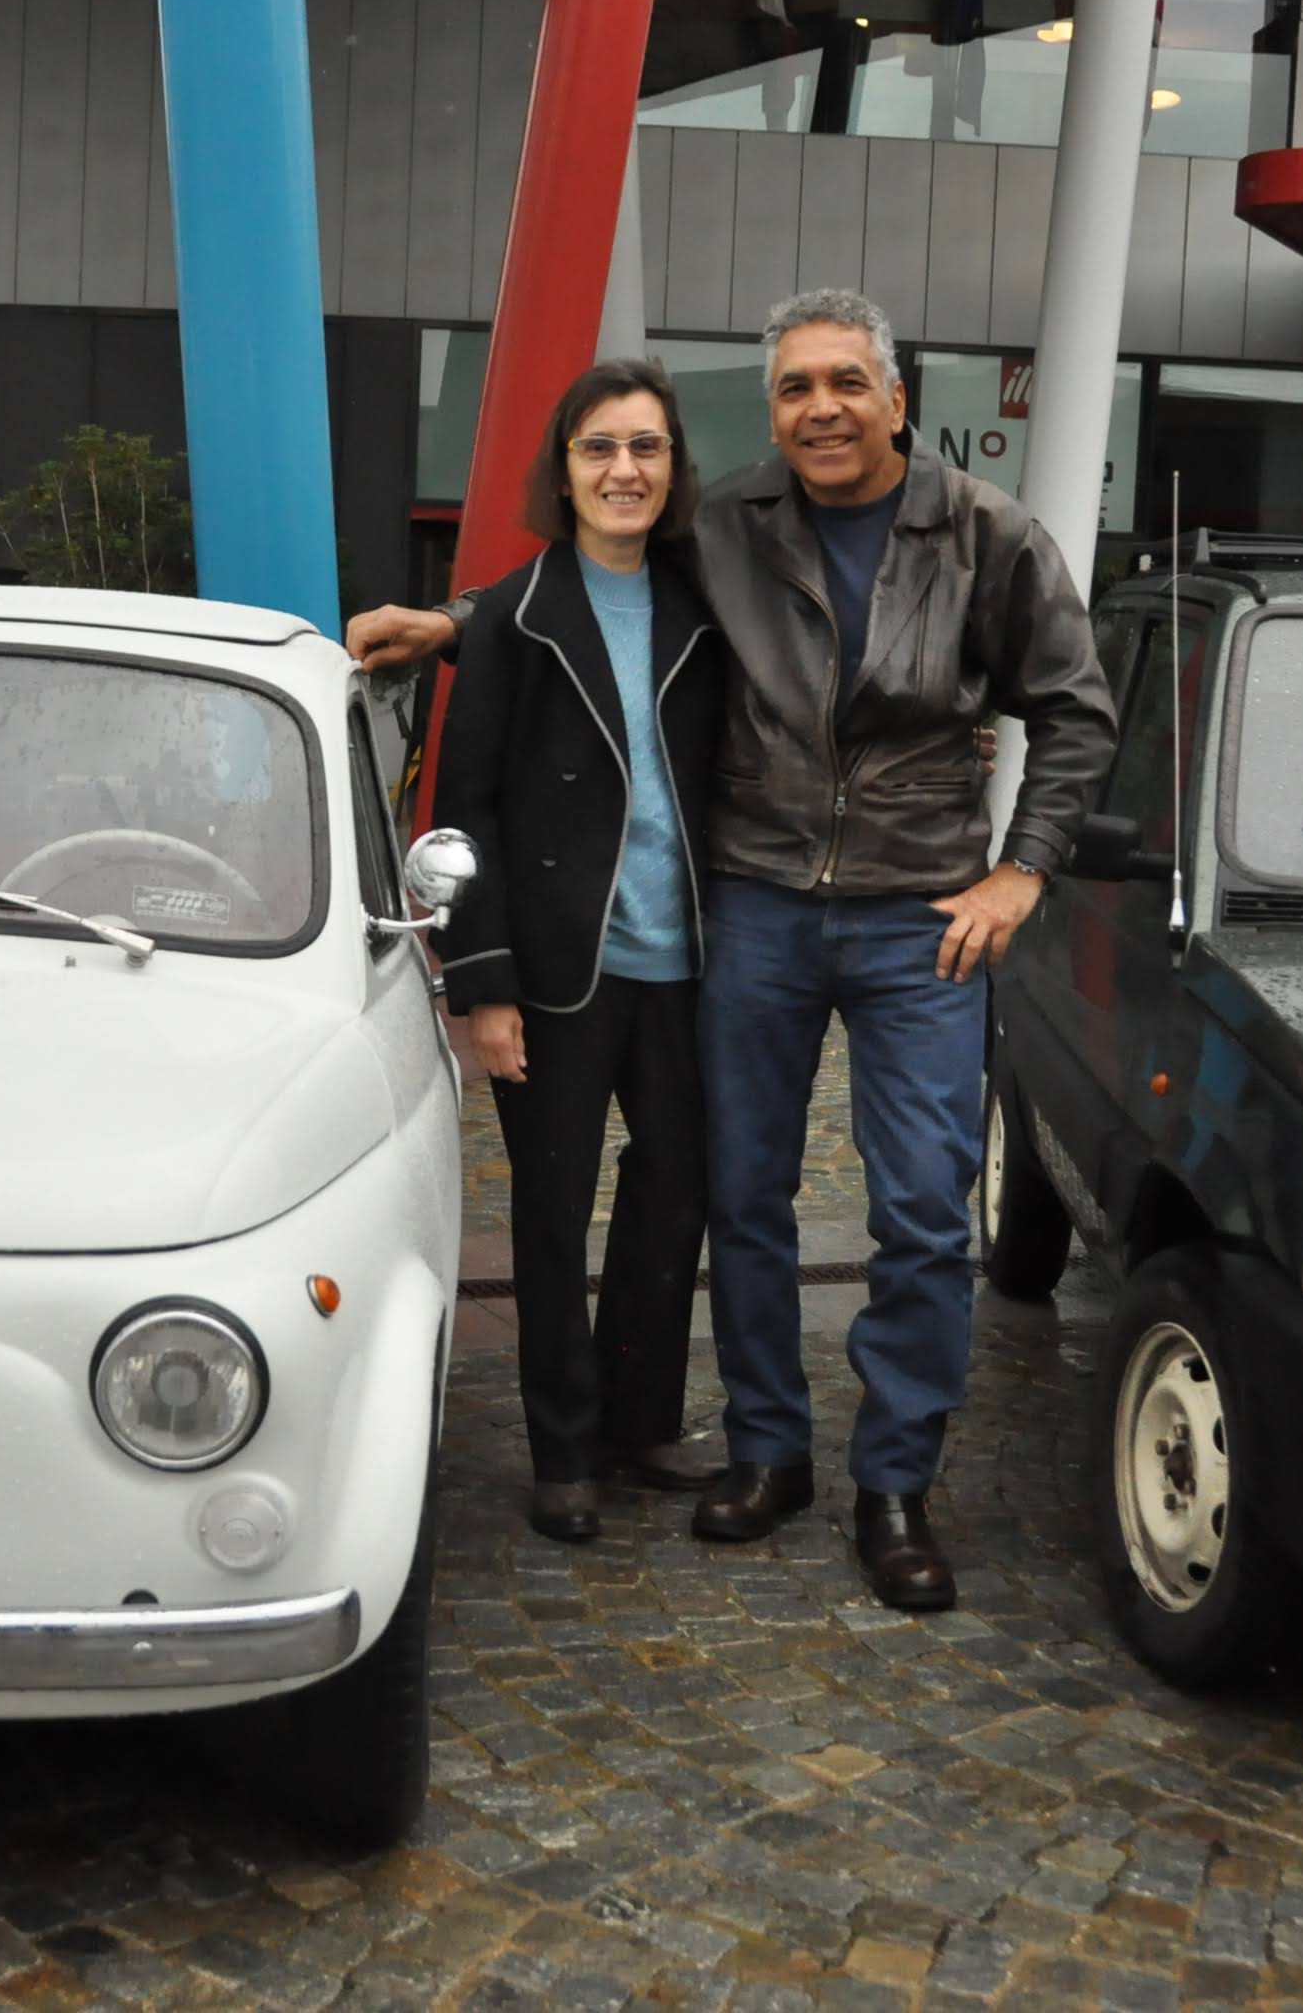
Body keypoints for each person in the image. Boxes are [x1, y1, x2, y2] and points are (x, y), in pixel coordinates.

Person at [349, 289, 1116, 1611]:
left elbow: (1077, 711)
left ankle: (894, 1484)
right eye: (795, 388)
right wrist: (456, 622)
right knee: (742, 1198)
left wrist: (1022, 870)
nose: (821, 408)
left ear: (896, 399)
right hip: (756, 904)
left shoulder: (987, 536)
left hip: (919, 912)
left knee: (923, 1211)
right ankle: (769, 1454)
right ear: (771, 412)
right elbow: (587, 577)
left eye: (845, 382)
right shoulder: (732, 523)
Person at [436, 359, 726, 1544]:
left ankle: (638, 1423)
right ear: (564, 471)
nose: (624, 469)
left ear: (674, 468)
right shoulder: (514, 618)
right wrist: (484, 985)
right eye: (599, 447)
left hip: (690, 966)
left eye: (646, 447)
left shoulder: (706, 604)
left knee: (674, 1198)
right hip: (560, 971)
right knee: (553, 1211)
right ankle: (563, 1448)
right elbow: (467, 808)